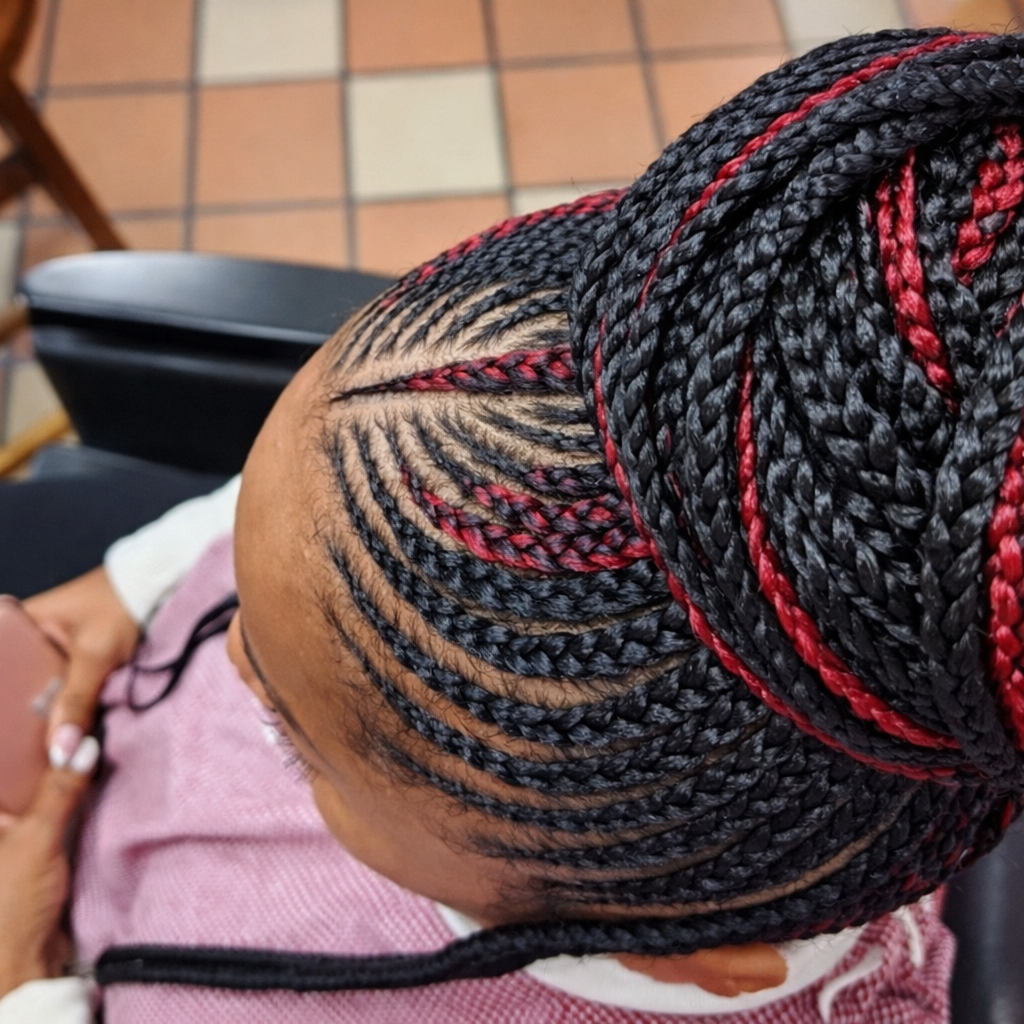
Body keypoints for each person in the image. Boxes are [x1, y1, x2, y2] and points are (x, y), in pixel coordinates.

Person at [3, 25, 1024, 1022]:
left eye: (293, 740)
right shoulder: (544, 455)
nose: (226, 649)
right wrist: (139, 579)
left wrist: (27, 984)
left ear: (707, 965)